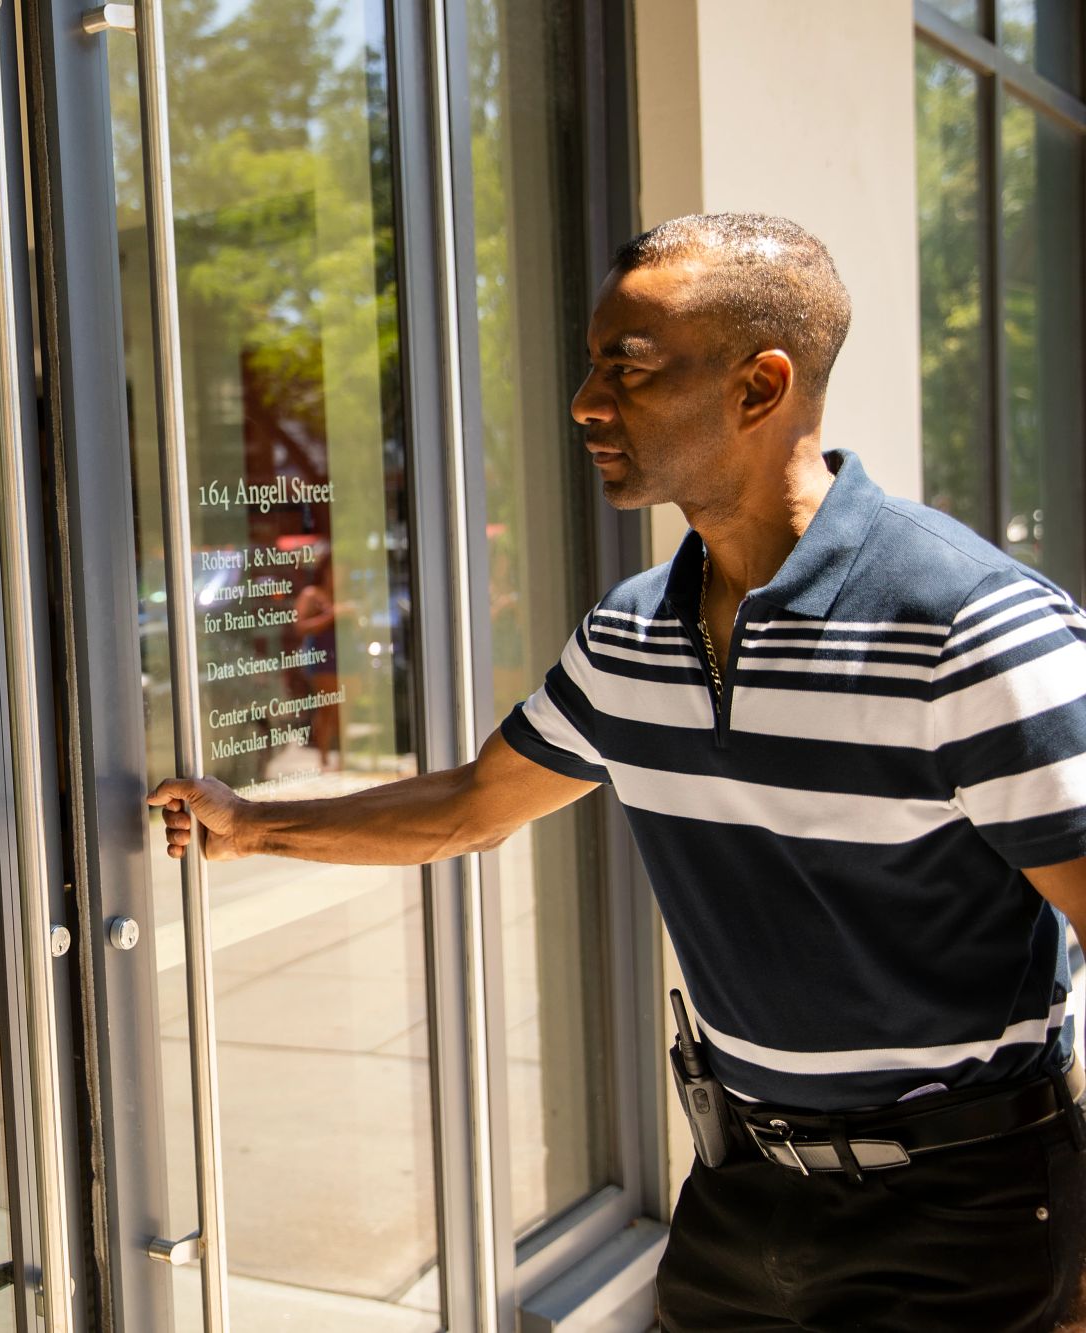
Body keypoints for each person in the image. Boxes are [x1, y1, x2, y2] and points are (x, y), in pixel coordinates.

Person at [149, 213, 1086, 1331]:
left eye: (627, 369)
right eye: (593, 366)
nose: (587, 403)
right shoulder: (630, 637)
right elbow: (468, 806)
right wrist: (249, 824)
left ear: (758, 387)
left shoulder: (968, 630)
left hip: (966, 1216)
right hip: (738, 1200)